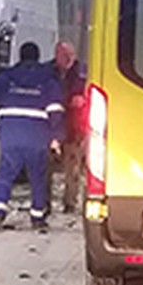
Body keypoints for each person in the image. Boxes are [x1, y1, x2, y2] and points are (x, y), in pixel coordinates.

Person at [0, 40, 63, 233]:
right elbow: (56, 112)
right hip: (37, 135)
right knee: (37, 177)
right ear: (37, 57)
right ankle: (37, 218)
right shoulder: (48, 80)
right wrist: (55, 136)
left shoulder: (5, 78)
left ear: (20, 56)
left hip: (10, 133)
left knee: (5, 175)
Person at [49, 40, 86, 213]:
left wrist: (81, 99)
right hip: (50, 128)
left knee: (72, 169)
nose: (63, 58)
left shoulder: (82, 73)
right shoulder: (48, 71)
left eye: (66, 55)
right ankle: (44, 202)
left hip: (73, 128)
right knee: (45, 167)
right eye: (60, 54)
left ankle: (70, 202)